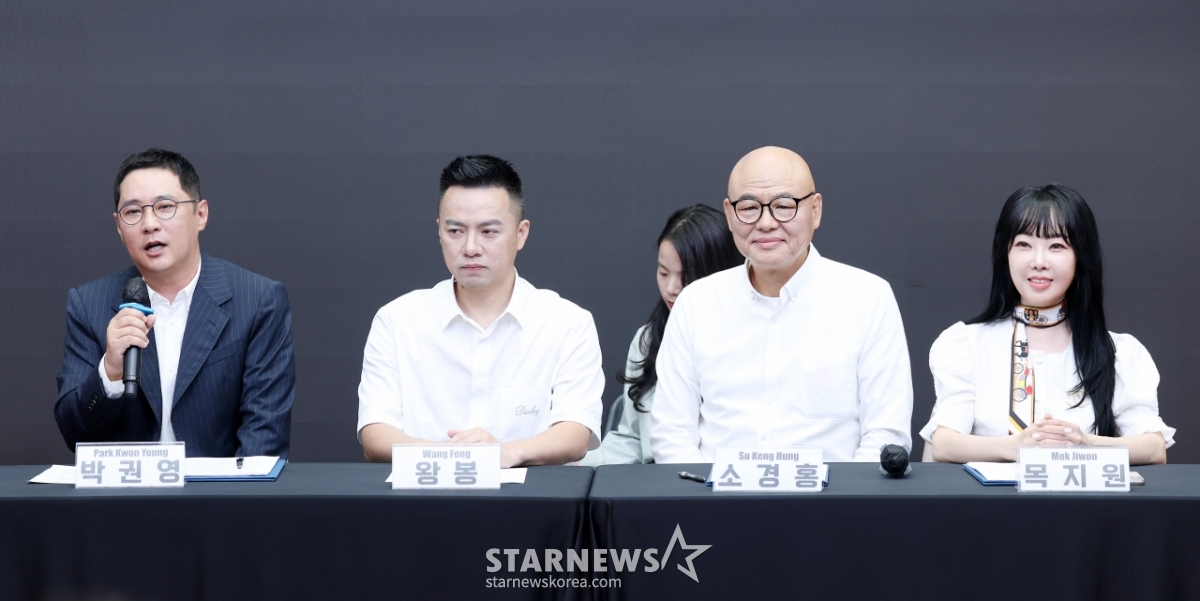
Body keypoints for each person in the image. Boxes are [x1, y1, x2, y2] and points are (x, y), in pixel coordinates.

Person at [651, 146, 913, 463]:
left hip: (834, 493)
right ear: (729, 214)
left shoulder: (867, 297)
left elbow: (885, 435)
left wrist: (847, 494)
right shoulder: (696, 303)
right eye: (749, 207)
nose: (765, 223)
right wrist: (704, 493)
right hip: (714, 492)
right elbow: (672, 434)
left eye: (784, 206)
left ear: (815, 209)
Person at [357, 155, 604, 467]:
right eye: (456, 231)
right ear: (439, 231)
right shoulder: (397, 320)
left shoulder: (567, 322)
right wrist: (450, 457)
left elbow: (576, 432)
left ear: (521, 233)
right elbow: (375, 432)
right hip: (425, 491)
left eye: (488, 231)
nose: (470, 247)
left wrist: (509, 452)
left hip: (532, 496)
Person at [54, 148, 296, 458]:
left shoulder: (258, 300)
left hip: (220, 489)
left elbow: (263, 437)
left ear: (201, 214)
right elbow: (75, 433)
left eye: (165, 207)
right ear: (118, 226)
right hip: (128, 488)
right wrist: (110, 370)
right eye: (133, 212)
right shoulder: (89, 305)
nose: (149, 224)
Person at [922, 184, 1172, 465]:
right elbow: (943, 444)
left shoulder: (1118, 352)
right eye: (1024, 245)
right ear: (1006, 253)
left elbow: (1153, 448)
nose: (1039, 261)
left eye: (1056, 246)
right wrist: (1014, 447)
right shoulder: (968, 344)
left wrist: (1086, 443)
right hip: (988, 495)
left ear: (1080, 257)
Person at [581, 205, 743, 466]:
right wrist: (570, 459)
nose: (671, 288)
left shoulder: (749, 338)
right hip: (663, 483)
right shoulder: (647, 340)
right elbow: (633, 439)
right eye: (663, 273)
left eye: (688, 277)